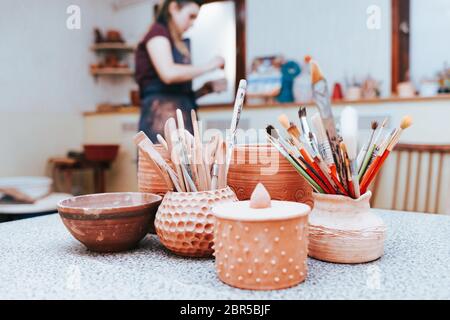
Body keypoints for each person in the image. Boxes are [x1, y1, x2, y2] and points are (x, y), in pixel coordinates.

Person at [135, 0, 225, 141]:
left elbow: (179, 95)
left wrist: (205, 89)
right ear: (173, 8)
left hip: (183, 125)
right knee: (161, 163)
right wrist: (210, 65)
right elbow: (168, 74)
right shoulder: (157, 33)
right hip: (160, 123)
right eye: (191, 16)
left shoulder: (179, 42)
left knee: (188, 163)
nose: (192, 23)